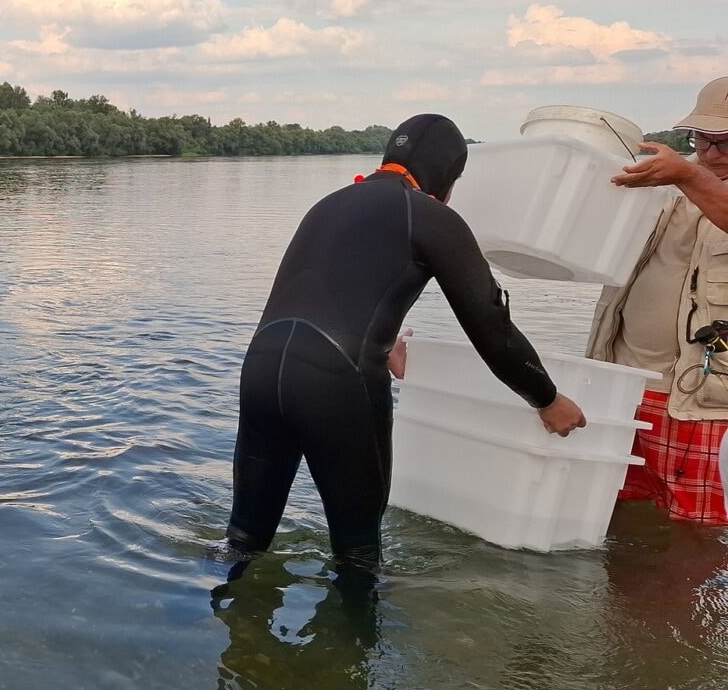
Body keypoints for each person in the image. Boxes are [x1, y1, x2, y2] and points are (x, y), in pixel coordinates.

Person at [226, 114, 587, 575]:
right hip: (338, 383)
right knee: (357, 557)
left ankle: (224, 633)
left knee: (243, 540)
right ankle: (353, 644)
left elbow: (327, 296)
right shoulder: (431, 216)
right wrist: (547, 397)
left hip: (261, 367)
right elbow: (492, 329)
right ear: (447, 175)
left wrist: (379, 341)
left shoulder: (330, 202)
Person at [590, 76, 728, 524]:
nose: (708, 154)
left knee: (697, 536)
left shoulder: (683, 174)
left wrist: (688, 174)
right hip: (629, 386)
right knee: (617, 520)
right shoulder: (667, 177)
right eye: (701, 140)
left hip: (703, 401)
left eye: (723, 143)